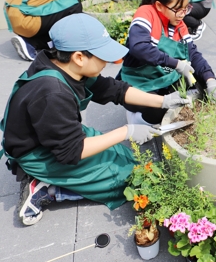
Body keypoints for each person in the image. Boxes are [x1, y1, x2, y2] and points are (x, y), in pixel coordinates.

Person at [0, 13, 190, 226]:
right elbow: (71, 151)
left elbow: (114, 90)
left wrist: (163, 101)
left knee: (129, 159)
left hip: (58, 136)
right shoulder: (53, 92)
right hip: (41, 153)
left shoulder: (62, 64)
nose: (108, 61)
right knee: (127, 180)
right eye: (102, 55)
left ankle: (56, 182)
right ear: (79, 57)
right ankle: (47, 190)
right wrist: (126, 131)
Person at [119, 0, 216, 125]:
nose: (182, 14)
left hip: (163, 78)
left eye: (186, 9)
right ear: (160, 5)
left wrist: (210, 79)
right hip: (140, 82)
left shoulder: (179, 24)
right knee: (158, 111)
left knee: (200, 84)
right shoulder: (147, 13)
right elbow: (139, 48)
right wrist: (176, 64)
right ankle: (136, 119)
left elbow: (193, 54)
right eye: (177, 9)